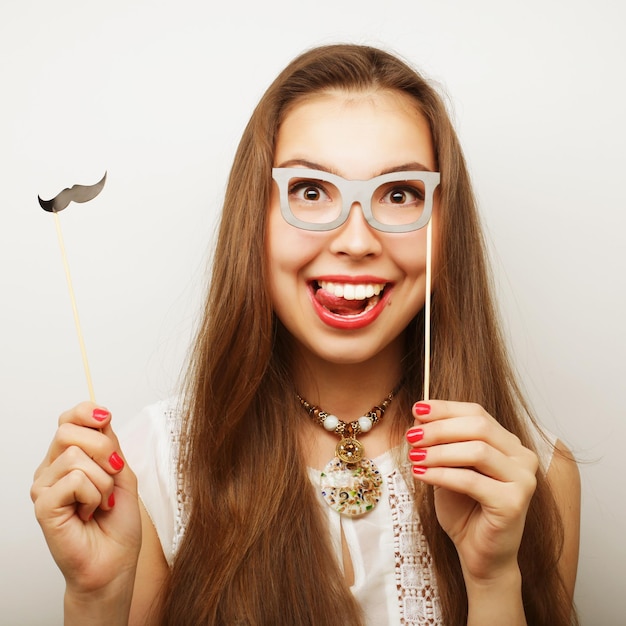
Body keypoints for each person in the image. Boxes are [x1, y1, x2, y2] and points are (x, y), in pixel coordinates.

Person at [30, 43, 580, 625]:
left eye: (399, 195)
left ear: (445, 228)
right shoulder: (147, 470)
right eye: (312, 192)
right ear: (256, 220)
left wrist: (493, 581)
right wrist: (95, 598)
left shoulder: (534, 474)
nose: (356, 240)